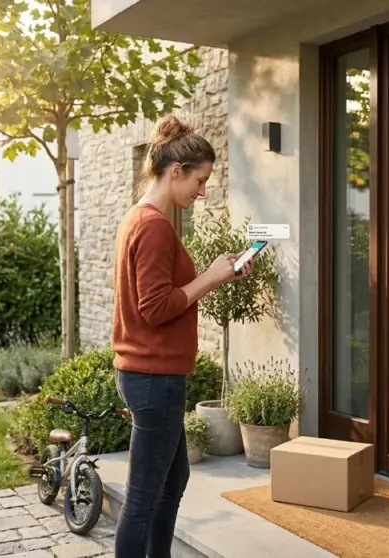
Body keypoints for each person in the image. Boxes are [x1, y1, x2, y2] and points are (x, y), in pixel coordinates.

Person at [111, 115, 253, 558]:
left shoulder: (140, 218)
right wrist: (210, 278)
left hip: (152, 374)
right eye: (200, 179)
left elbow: (161, 294)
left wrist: (218, 275)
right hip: (154, 377)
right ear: (176, 171)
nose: (202, 190)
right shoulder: (153, 226)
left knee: (171, 482)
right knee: (143, 496)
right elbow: (154, 309)